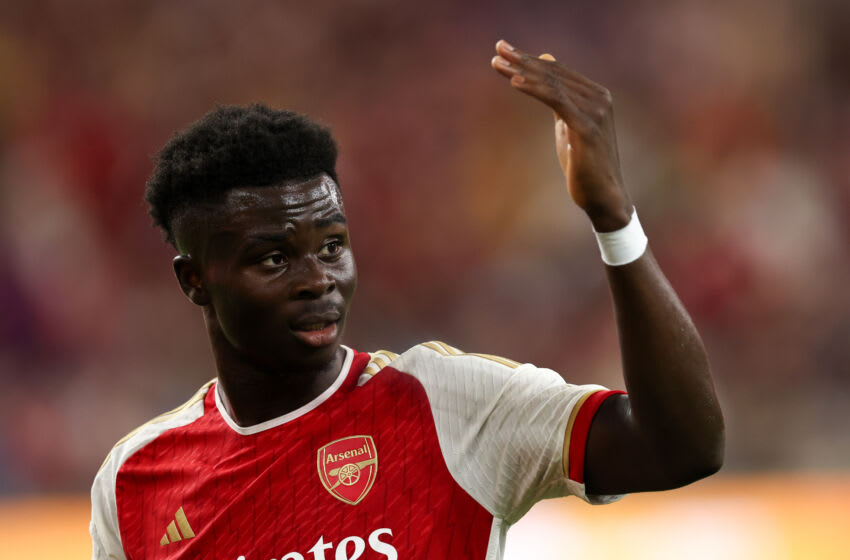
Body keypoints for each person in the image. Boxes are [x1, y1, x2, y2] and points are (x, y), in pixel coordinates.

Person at [90, 40, 724, 560]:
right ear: (194, 281)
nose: (318, 279)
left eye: (333, 245)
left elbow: (682, 446)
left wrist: (614, 219)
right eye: (274, 258)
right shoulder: (136, 481)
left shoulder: (449, 402)